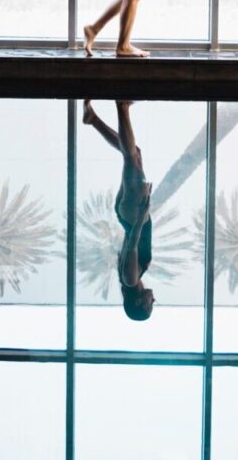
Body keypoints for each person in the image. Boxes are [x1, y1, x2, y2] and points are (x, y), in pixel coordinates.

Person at [82, 100, 155, 321]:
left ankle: (121, 106)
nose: (153, 300)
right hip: (128, 214)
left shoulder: (131, 280)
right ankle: (92, 119)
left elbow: (132, 246)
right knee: (134, 154)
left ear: (138, 302)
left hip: (133, 215)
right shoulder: (130, 278)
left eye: (150, 305)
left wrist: (142, 213)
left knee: (131, 157)